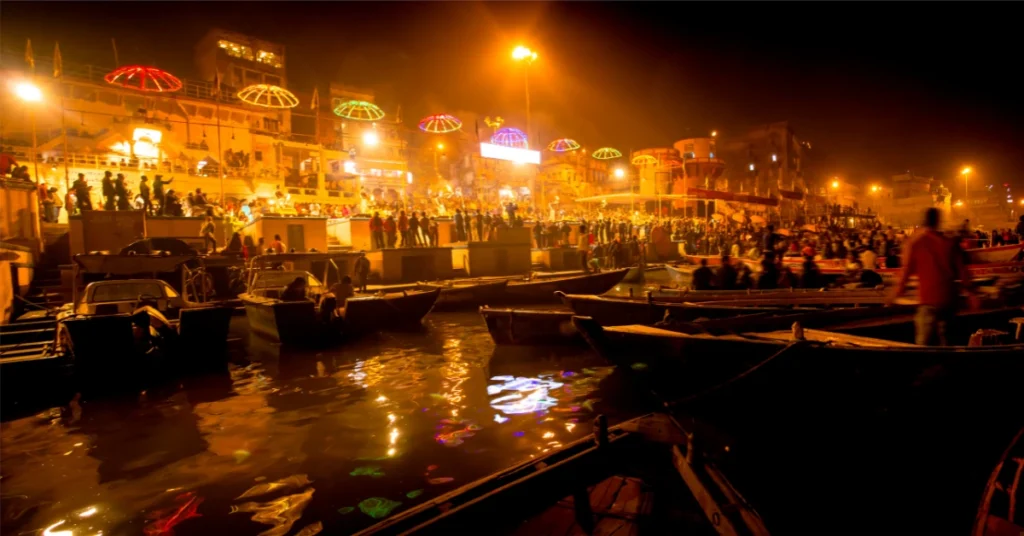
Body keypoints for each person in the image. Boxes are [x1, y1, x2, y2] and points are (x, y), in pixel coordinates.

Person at [890, 208, 977, 346]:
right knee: (949, 342)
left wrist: (895, 294)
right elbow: (963, 272)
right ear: (938, 222)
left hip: (928, 301)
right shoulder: (949, 243)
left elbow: (905, 273)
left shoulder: (915, 243)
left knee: (923, 346)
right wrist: (972, 294)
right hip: (949, 300)